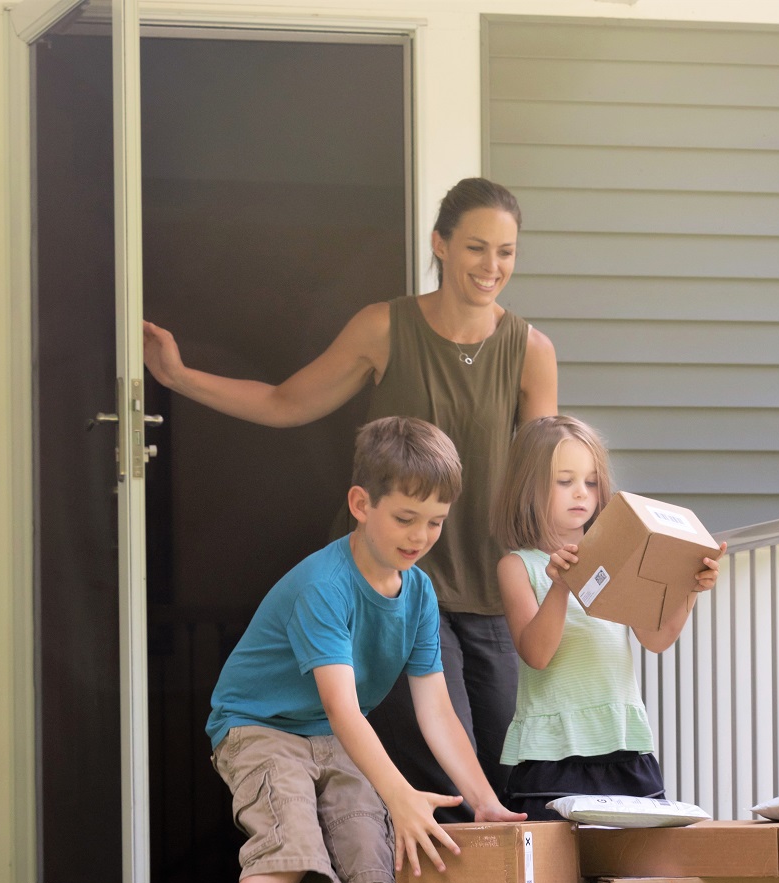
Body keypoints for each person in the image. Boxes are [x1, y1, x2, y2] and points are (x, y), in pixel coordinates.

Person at [143, 178, 558, 811]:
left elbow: (546, 480)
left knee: (504, 770)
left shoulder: (531, 350)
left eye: (506, 252)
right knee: (444, 775)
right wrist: (176, 377)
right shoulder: (383, 328)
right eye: (477, 248)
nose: (492, 267)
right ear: (440, 244)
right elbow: (287, 403)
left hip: (491, 585)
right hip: (393, 584)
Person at [166, 417, 526, 883]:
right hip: (260, 726)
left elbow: (435, 706)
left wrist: (483, 799)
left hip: (329, 733)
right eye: (406, 517)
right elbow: (342, 706)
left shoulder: (417, 592)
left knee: (378, 856)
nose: (421, 537)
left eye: (436, 522)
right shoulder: (323, 585)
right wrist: (399, 793)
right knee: (287, 846)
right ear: (362, 505)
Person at [490, 416, 727, 821]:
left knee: (636, 874)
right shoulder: (518, 566)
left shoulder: (617, 555)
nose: (581, 493)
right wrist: (564, 585)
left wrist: (689, 589)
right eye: (564, 481)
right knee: (557, 878)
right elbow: (537, 654)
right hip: (554, 752)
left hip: (624, 743)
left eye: (591, 481)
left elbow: (655, 638)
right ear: (528, 485)